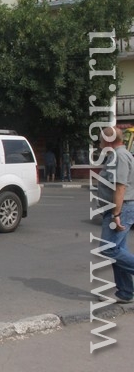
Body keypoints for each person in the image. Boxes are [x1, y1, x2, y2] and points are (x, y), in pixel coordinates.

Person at [97, 126, 134, 303]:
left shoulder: (119, 156)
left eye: (101, 139)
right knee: (119, 250)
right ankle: (125, 292)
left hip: (121, 208)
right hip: (118, 208)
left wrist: (116, 214)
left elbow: (120, 187)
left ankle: (126, 291)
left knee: (109, 249)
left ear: (109, 140)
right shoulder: (115, 155)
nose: (99, 143)